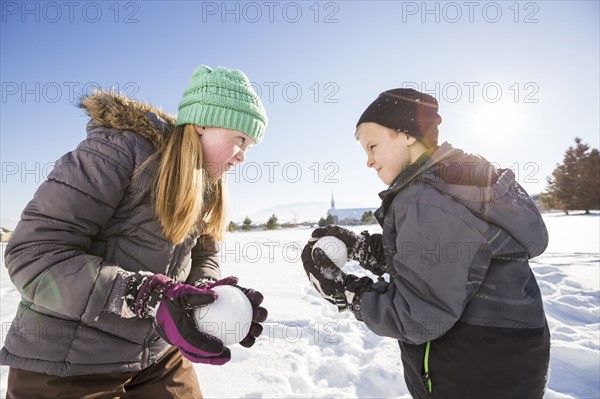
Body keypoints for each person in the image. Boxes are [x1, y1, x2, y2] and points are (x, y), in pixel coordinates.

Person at [1, 65, 269, 398]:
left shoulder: (206, 186)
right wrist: (143, 295)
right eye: (240, 139)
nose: (243, 156)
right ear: (202, 123)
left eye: (251, 145)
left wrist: (202, 294)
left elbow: (204, 254)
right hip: (68, 362)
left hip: (156, 355)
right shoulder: (117, 153)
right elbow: (33, 254)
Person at [302, 88, 551, 398]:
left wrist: (346, 292)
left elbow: (418, 316)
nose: (368, 161)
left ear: (406, 134)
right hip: (505, 361)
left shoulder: (425, 199)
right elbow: (440, 264)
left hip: (470, 370)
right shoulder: (454, 182)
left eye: (373, 146)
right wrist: (361, 248)